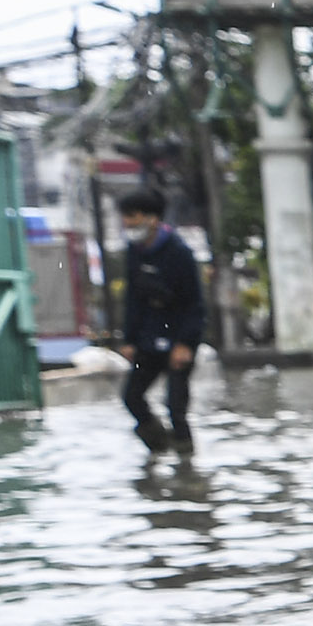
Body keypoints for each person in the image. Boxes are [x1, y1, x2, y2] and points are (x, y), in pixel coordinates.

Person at [113, 187, 204, 456]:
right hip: (147, 339)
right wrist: (129, 339)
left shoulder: (179, 252)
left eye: (133, 215)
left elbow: (195, 303)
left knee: (175, 407)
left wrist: (186, 343)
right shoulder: (134, 251)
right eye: (125, 216)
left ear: (152, 218)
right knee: (132, 397)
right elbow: (132, 298)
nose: (127, 222)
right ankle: (160, 448)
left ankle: (187, 466)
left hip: (179, 338)